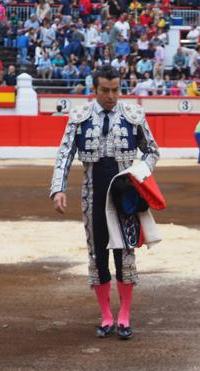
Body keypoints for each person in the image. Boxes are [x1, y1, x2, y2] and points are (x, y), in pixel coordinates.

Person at [49, 66, 159, 339]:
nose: (111, 96)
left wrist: (139, 175)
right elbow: (64, 154)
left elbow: (152, 151)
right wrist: (57, 189)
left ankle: (124, 316)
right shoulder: (79, 116)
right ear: (94, 90)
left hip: (125, 197)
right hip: (92, 196)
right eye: (105, 91)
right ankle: (106, 315)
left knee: (125, 255)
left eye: (115, 90)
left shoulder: (132, 115)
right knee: (98, 255)